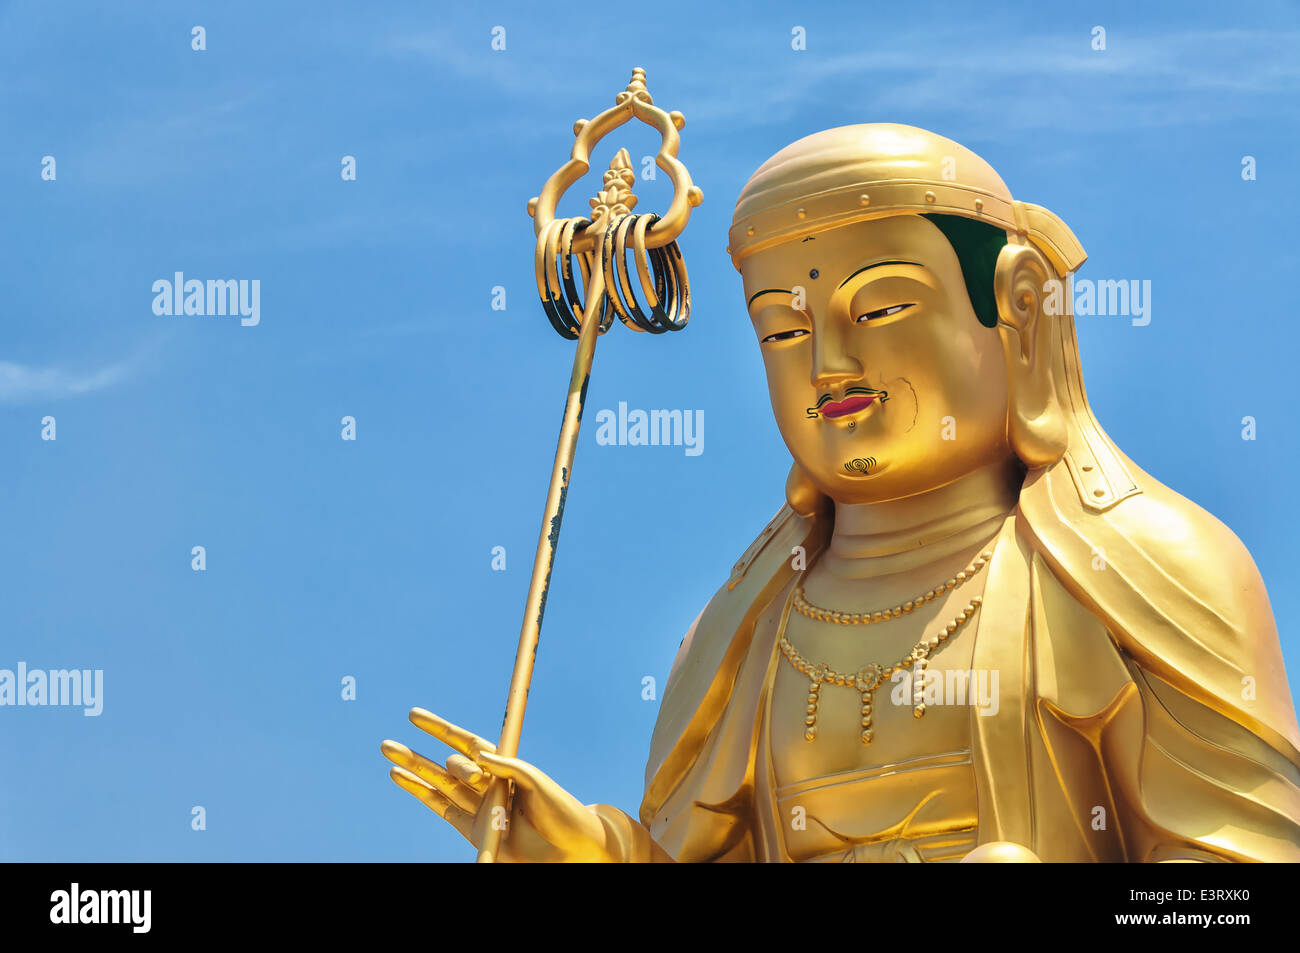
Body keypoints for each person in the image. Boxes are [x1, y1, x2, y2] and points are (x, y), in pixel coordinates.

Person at [382, 124, 1300, 862]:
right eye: (781, 331)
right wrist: (589, 854)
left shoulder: (1142, 564)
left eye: (883, 308)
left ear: (1017, 309)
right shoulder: (745, 629)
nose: (829, 365)